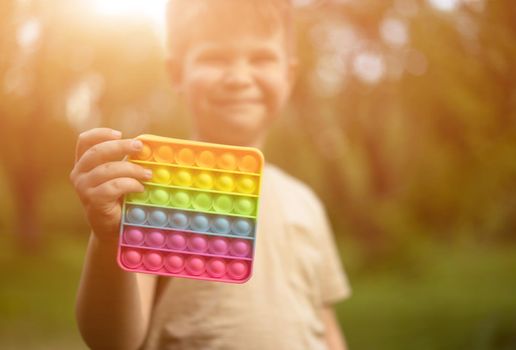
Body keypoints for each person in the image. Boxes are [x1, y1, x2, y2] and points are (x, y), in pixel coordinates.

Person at [69, 1, 350, 349]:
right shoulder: (157, 187)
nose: (238, 78)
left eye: (262, 58)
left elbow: (324, 324)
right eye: (215, 58)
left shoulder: (305, 201)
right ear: (176, 73)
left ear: (288, 76)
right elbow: (113, 341)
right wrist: (110, 238)